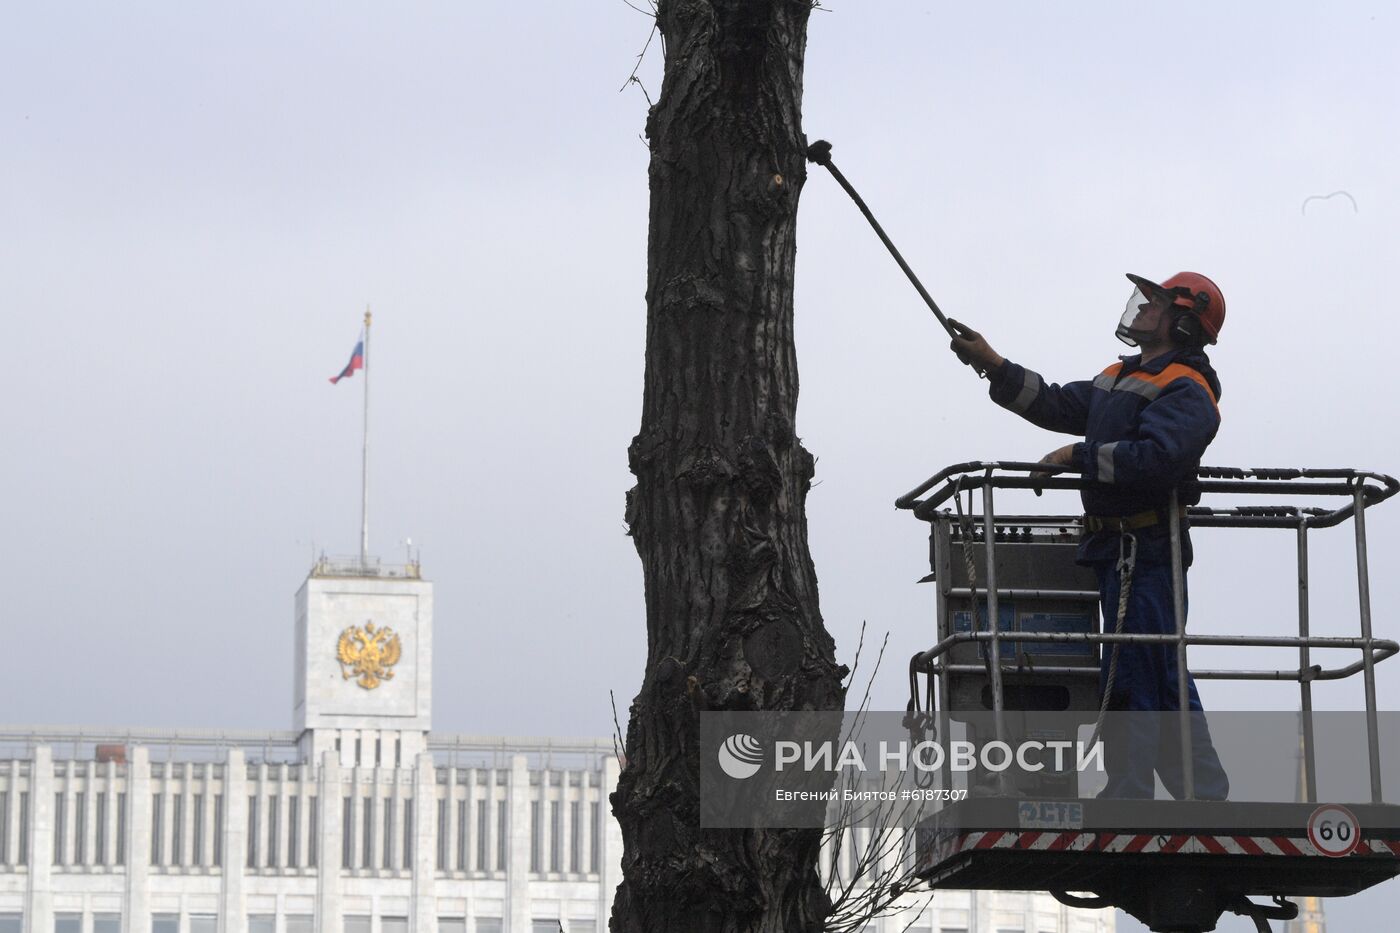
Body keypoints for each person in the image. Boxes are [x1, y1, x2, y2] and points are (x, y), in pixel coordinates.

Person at [949, 272, 1230, 800]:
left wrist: (1075, 456)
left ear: (1185, 321)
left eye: (1156, 303)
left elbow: (1156, 459)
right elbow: (1058, 404)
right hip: (1115, 549)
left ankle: (1130, 792)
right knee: (1157, 670)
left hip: (1147, 550)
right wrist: (993, 364)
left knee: (1138, 671)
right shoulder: (1118, 376)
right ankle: (1203, 793)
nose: (1141, 308)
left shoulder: (1188, 388)